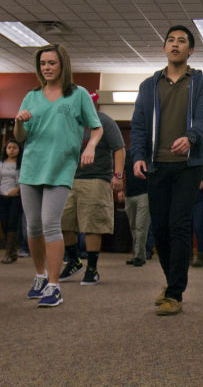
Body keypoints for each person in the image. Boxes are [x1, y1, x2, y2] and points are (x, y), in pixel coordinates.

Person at [130, 25, 203, 316]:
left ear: (191, 51)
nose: (176, 45)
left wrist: (190, 137)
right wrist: (138, 156)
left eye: (183, 42)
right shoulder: (148, 86)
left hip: (189, 165)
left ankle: (175, 292)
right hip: (156, 165)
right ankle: (170, 281)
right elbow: (139, 125)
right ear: (164, 48)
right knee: (161, 227)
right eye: (171, 41)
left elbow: (202, 118)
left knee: (179, 225)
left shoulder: (200, 82)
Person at [14, 44, 102, 308]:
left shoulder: (78, 95)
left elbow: (96, 128)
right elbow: (20, 137)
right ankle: (40, 276)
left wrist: (90, 146)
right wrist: (19, 122)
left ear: (62, 65)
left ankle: (54, 285)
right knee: (33, 226)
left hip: (61, 168)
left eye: (51, 63)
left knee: (51, 223)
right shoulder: (31, 97)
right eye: (43, 64)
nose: (47, 68)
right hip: (31, 167)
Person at [59, 92, 125, 286]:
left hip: (96, 179)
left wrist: (118, 175)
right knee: (64, 222)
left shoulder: (104, 121)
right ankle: (73, 261)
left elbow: (119, 148)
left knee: (92, 225)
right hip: (69, 179)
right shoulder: (70, 122)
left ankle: (92, 268)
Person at [0, 138, 23, 264]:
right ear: (6, 149)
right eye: (9, 148)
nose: (12, 150)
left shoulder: (22, 164)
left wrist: (17, 188)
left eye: (14, 148)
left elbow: (25, 181)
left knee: (12, 223)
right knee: (4, 223)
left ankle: (8, 252)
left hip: (16, 197)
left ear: (19, 150)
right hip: (2, 196)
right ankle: (13, 250)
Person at [123, 153, 149, 267]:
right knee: (133, 226)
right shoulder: (127, 155)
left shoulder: (148, 155)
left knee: (141, 226)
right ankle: (139, 255)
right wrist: (120, 190)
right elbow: (121, 173)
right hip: (129, 195)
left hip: (144, 194)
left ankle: (139, 256)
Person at [190, 154, 203, 268]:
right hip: (188, 201)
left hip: (201, 201)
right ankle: (188, 257)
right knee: (188, 229)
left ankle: (200, 257)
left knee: (198, 227)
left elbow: (200, 185)